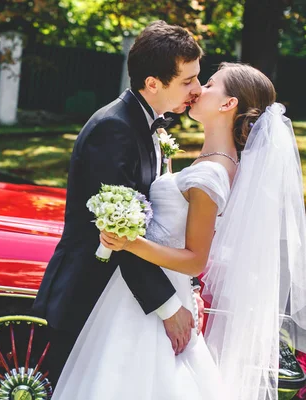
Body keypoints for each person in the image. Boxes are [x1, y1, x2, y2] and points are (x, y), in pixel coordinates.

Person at [62, 62, 306, 400]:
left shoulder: (212, 175)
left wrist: (128, 242)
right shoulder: (216, 162)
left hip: (152, 296)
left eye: (209, 84)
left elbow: (195, 260)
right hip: (156, 287)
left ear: (227, 104)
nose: (197, 90)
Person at [31, 20, 203, 389]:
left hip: (124, 297)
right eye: (188, 81)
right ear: (153, 83)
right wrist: (169, 307)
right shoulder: (114, 129)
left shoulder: (150, 124)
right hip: (89, 295)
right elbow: (117, 234)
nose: (197, 89)